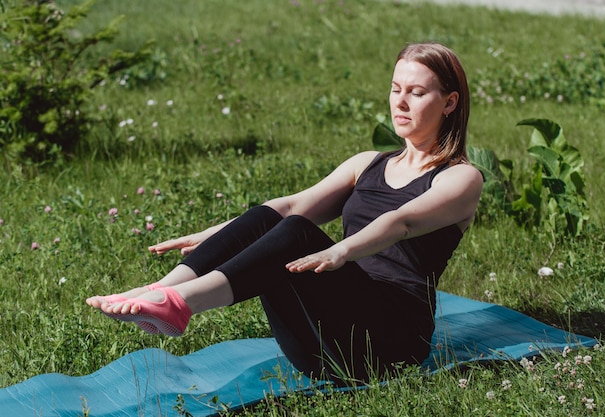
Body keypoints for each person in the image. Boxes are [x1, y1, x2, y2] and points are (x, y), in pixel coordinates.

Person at [86, 42, 483, 383]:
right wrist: (218, 233)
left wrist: (341, 251)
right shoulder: (368, 163)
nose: (399, 101)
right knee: (275, 217)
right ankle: (162, 291)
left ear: (449, 103)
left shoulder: (461, 178)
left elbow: (403, 222)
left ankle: (181, 304)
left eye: (416, 92)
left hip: (389, 345)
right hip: (316, 348)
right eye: (396, 89)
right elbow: (290, 206)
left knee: (298, 232)